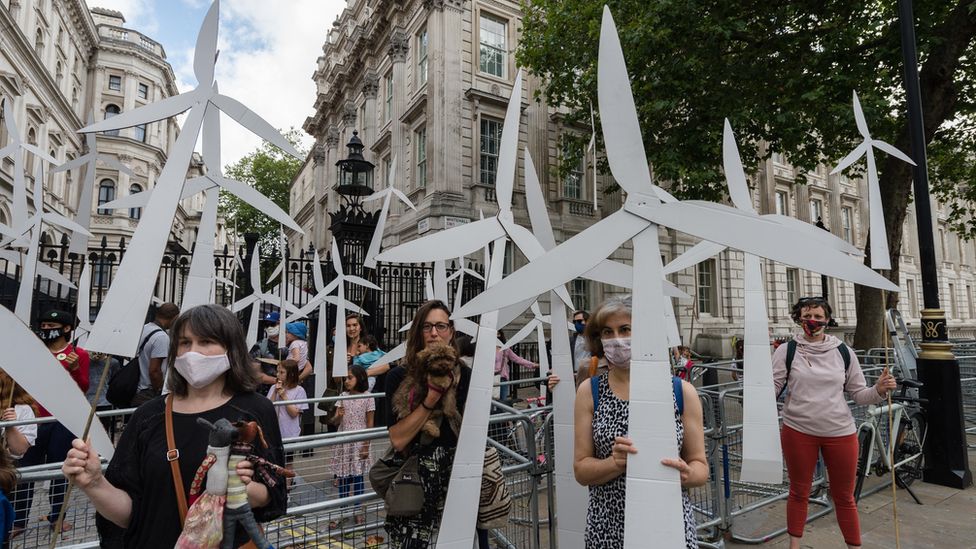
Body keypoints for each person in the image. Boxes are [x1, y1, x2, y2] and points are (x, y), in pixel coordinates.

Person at [62, 304, 287, 548]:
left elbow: (272, 495)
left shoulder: (256, 410)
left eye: (206, 341)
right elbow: (131, 515)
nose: (193, 352)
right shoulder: (148, 416)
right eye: (184, 343)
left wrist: (243, 490)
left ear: (231, 349)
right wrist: (95, 484)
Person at [573, 296, 706, 549]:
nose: (617, 339)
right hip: (608, 526)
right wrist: (614, 463)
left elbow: (700, 466)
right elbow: (581, 469)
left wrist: (688, 474)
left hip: (668, 523)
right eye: (607, 332)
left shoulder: (681, 391)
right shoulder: (589, 392)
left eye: (625, 329)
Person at [774, 297, 896, 549]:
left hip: (839, 432)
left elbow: (860, 395)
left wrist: (879, 389)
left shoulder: (843, 352)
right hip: (798, 431)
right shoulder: (786, 351)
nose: (813, 321)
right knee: (799, 492)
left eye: (819, 317)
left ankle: (854, 546)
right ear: (798, 318)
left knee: (844, 497)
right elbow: (772, 389)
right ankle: (793, 546)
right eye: (807, 315)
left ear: (827, 320)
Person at [383, 300, 472, 548]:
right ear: (418, 332)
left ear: (451, 331)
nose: (434, 333)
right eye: (427, 326)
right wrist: (431, 399)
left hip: (456, 478)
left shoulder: (464, 375)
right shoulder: (397, 377)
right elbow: (398, 439)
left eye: (441, 326)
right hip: (415, 482)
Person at [14, 309, 89, 534]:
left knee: (61, 470)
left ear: (66, 329)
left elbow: (83, 389)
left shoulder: (79, 354)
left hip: (62, 420)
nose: (45, 330)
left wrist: (75, 371)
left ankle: (57, 516)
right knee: (26, 471)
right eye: (44, 326)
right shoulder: (34, 353)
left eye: (50, 326)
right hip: (36, 419)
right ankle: (18, 520)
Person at [330, 365, 374, 528]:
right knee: (343, 478)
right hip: (344, 441)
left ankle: (357, 510)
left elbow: (370, 423)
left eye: (350, 378)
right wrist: (338, 416)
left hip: (359, 442)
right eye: (346, 378)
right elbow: (334, 421)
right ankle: (343, 511)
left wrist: (365, 446)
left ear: (360, 379)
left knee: (357, 478)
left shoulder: (368, 397)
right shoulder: (343, 395)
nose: (346, 381)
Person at [132, 303, 180, 406]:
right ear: (175, 317)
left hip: (136, 389)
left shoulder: (144, 329)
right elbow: (154, 371)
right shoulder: (161, 337)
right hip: (149, 393)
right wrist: (159, 390)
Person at [266, 359, 307, 442]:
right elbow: (268, 408)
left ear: (291, 374)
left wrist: (284, 396)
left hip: (290, 432)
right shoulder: (273, 387)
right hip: (274, 432)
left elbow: (294, 413)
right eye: (277, 372)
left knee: (288, 454)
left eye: (282, 372)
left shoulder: (299, 390)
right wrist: (275, 392)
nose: (278, 375)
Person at [494, 330, 538, 403]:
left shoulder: (505, 349)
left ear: (499, 334)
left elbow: (517, 359)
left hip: (502, 378)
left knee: (503, 402)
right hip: (488, 378)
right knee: (490, 403)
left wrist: (533, 365)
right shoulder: (485, 347)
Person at [87, 352, 121, 437]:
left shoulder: (113, 362)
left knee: (102, 434)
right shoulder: (84, 360)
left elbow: (115, 381)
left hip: (104, 402)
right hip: (87, 401)